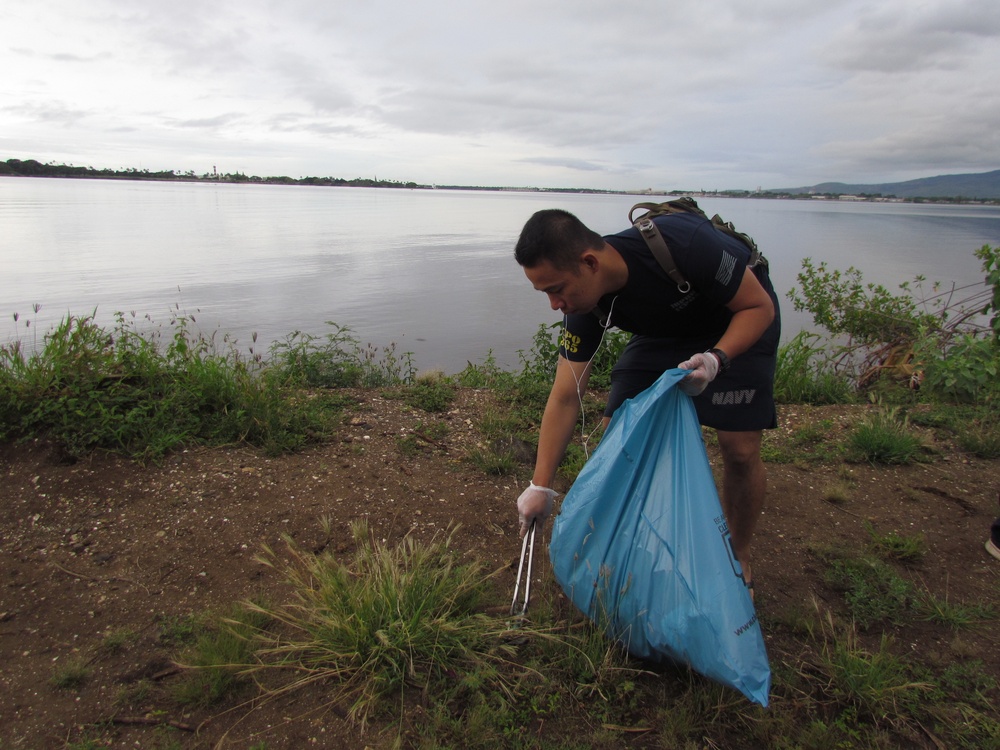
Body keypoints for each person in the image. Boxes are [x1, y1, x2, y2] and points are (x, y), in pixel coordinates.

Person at [513, 206, 780, 592]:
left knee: (738, 448)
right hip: (665, 332)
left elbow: (759, 307)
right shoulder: (584, 304)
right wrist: (541, 486)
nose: (555, 304)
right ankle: (635, 543)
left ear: (590, 263)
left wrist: (714, 359)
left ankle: (737, 555)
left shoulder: (685, 243)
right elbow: (566, 395)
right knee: (616, 435)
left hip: (737, 318)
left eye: (555, 288)